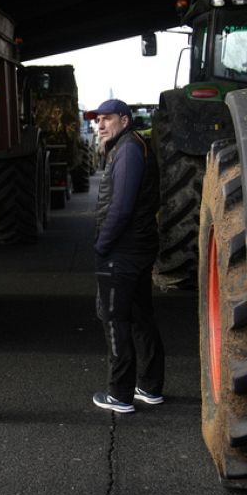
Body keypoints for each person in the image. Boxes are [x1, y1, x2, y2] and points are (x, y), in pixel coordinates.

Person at [88, 99, 165, 413]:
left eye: (107, 119)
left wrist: (102, 245)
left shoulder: (129, 150)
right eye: (97, 120)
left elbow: (121, 207)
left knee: (113, 319)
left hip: (123, 250)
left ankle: (119, 395)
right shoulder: (127, 146)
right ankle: (149, 386)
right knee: (139, 316)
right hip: (135, 247)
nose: (101, 125)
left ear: (124, 119)